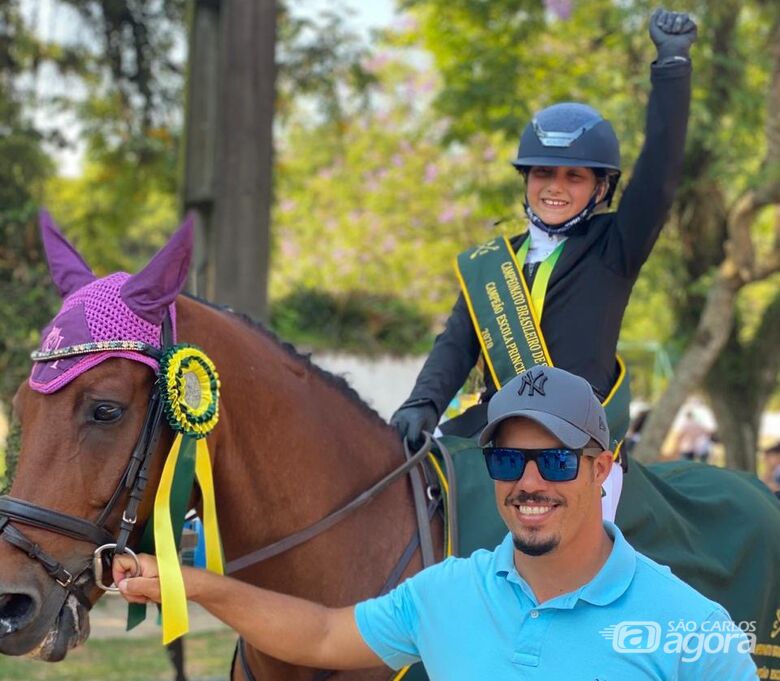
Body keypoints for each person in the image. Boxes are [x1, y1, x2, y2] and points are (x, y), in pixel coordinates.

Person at [113, 367, 757, 679]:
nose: (529, 482)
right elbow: (320, 634)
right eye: (507, 459)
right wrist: (190, 582)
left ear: (601, 469)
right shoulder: (448, 592)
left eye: (556, 461)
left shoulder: (693, 630)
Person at [391, 9, 697, 518]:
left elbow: (660, 174)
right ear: (527, 181)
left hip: (576, 444)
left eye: (574, 176)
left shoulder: (615, 245)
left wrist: (672, 66)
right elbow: (456, 344)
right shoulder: (494, 262)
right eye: (543, 174)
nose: (555, 187)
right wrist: (422, 403)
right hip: (495, 432)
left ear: (600, 189)